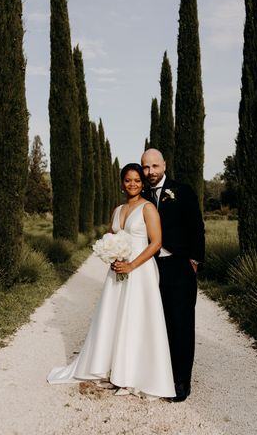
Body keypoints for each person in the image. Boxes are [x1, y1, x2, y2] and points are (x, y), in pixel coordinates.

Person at [47, 163, 175, 399]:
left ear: (142, 183)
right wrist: (111, 257)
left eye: (137, 180)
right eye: (128, 180)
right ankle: (113, 369)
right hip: (118, 271)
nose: (133, 184)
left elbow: (156, 243)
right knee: (115, 317)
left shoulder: (148, 209)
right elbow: (110, 237)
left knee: (135, 319)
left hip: (141, 270)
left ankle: (131, 377)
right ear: (122, 183)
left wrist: (131, 265)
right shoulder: (117, 211)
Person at [140, 148, 205, 402]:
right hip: (151, 268)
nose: (150, 172)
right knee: (158, 322)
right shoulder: (141, 194)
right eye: (146, 167)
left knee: (181, 324)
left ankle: (181, 382)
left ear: (164, 165)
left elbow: (197, 227)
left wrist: (194, 260)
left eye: (155, 166)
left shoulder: (183, 191)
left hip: (179, 266)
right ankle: (159, 374)